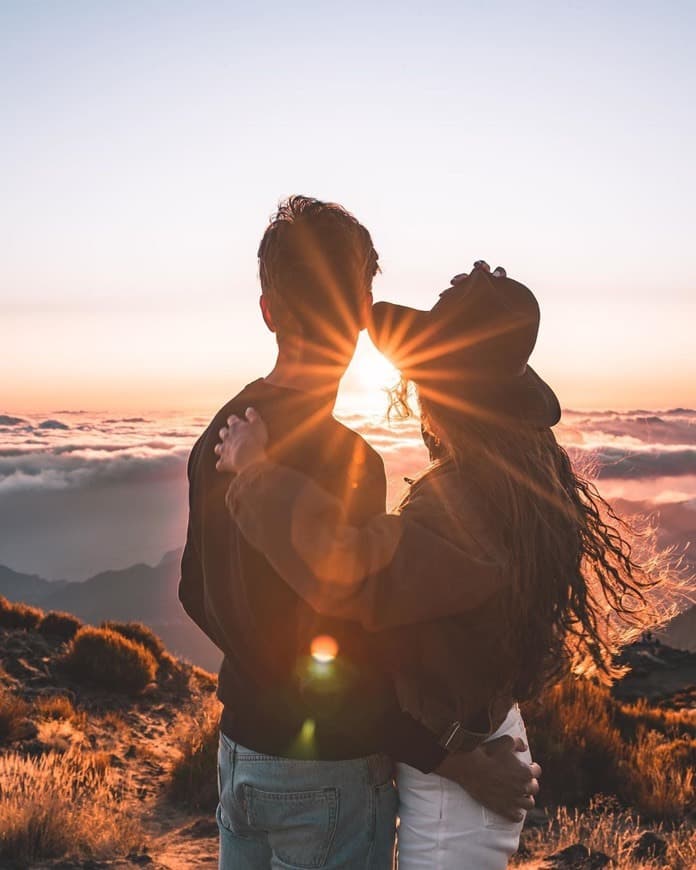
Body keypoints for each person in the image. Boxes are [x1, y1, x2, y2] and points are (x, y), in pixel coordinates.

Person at [215, 263, 654, 869]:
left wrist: (258, 475)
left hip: (461, 780)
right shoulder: (507, 485)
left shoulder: (468, 504)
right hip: (462, 758)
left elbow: (355, 573)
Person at [179, 199, 539, 870]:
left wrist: (257, 677)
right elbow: (350, 651)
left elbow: (193, 594)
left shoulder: (218, 437)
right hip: (329, 779)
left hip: (239, 758)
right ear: (360, 320)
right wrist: (449, 761)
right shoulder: (351, 464)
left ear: (267, 310)